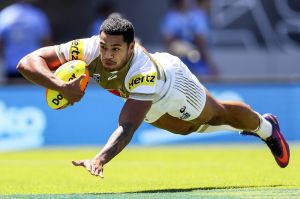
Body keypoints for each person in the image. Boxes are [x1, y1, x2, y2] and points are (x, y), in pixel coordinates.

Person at [17, 17, 289, 178]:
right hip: (138, 94)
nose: (107, 55)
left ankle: (266, 128)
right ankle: (250, 126)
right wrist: (58, 84)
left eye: (115, 49)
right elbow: (27, 62)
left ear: (131, 47)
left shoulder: (142, 70)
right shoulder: (86, 49)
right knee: (185, 130)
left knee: (215, 114)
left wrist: (99, 159)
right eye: (103, 47)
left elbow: (127, 125)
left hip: (171, 82)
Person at [160, 0, 218, 76]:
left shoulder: (197, 15)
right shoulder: (172, 17)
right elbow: (168, 40)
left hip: (197, 62)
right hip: (182, 64)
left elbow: (200, 39)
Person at [0, 0, 52, 78]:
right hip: (34, 67)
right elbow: (46, 42)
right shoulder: (37, 15)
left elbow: (1, 43)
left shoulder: (5, 15)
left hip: (12, 68)